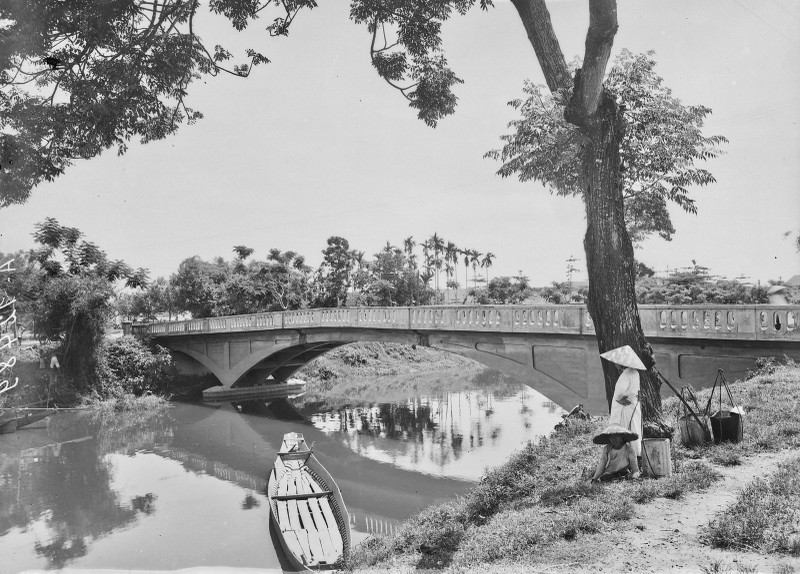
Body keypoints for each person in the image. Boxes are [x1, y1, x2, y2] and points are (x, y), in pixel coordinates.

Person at [600, 345, 645, 458]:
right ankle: (636, 456)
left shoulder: (625, 375)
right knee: (634, 429)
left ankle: (624, 458)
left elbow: (619, 394)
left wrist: (621, 401)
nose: (615, 364)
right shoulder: (635, 372)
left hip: (626, 409)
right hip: (634, 406)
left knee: (624, 431)